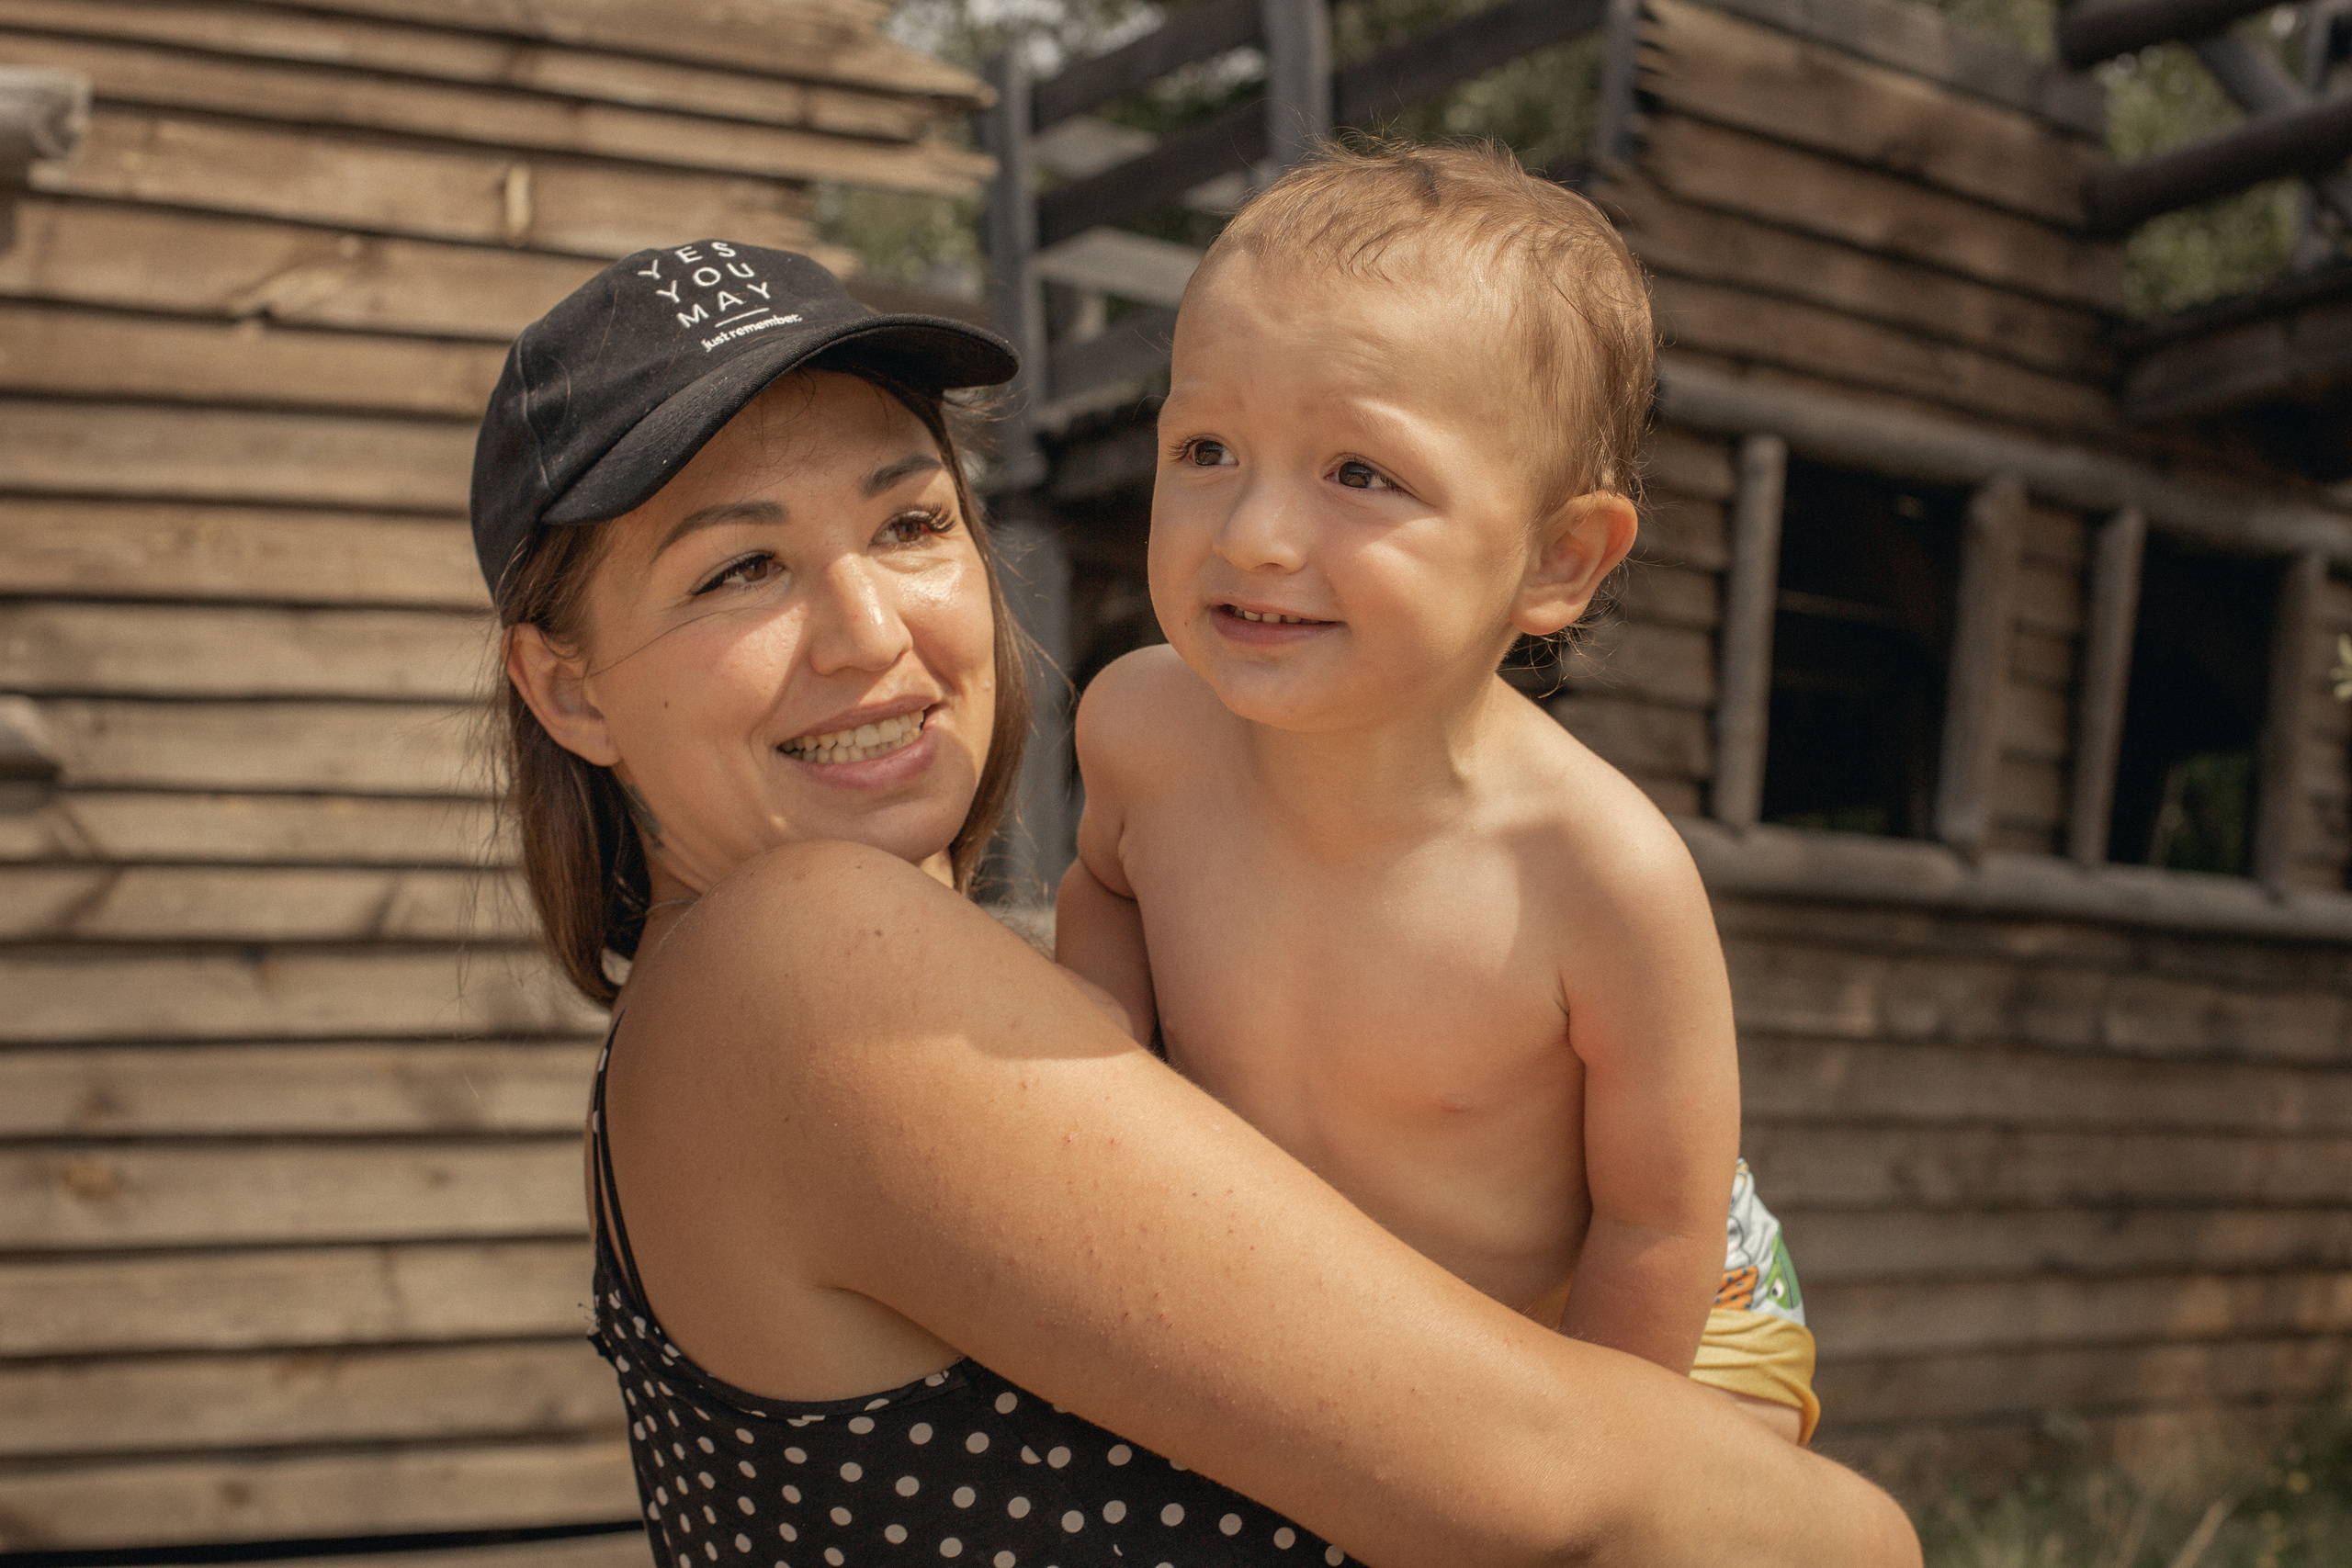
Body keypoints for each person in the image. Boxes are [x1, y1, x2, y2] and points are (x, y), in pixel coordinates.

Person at [478, 239, 1918, 1566]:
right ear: (569, 686)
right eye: (742, 568)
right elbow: (1611, 1507)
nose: (873, 632)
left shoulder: (830, 1024)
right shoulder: (801, 965)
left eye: (912, 522)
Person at [1056, 142, 1817, 1439]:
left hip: (1672, 1322)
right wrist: (1099, 1058)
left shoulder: (1594, 879)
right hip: (1360, 1319)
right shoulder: (1141, 729)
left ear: (1558, 559)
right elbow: (1106, 885)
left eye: (1360, 474)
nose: (1253, 533)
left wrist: (1592, 1476)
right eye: (1207, 448)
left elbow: (1656, 1221)